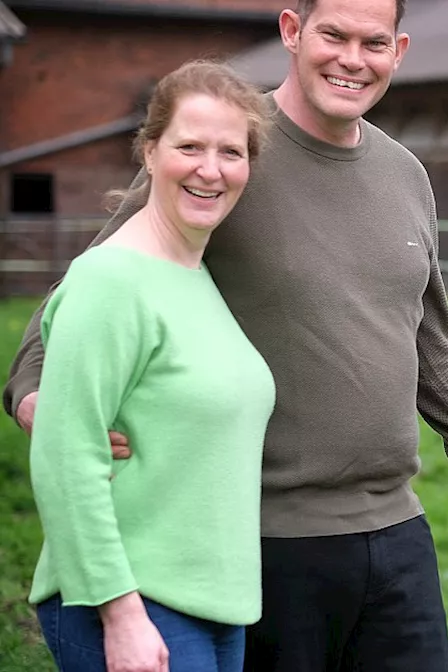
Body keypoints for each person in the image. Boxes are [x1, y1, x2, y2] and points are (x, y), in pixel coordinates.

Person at [5, 0, 448, 669]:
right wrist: (33, 391)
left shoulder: (406, 175)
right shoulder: (224, 149)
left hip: (397, 525)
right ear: (291, 30)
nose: (352, 59)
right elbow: (96, 278)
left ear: (398, 52)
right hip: (268, 536)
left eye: (373, 42)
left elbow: (427, 334)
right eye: (333, 35)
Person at [24, 60, 275, 672]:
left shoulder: (196, 276)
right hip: (131, 599)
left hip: (217, 605)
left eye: (231, 152)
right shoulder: (110, 279)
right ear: (149, 151)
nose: (210, 169)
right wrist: (121, 612)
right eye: (189, 146)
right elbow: (66, 456)